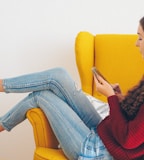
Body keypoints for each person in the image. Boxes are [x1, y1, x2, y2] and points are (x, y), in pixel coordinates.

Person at [0, 17, 144, 160]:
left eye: (141, 38)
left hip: (97, 151)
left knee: (41, 96)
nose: (136, 43)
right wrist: (119, 98)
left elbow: (129, 140)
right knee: (58, 75)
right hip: (105, 133)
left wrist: (111, 97)